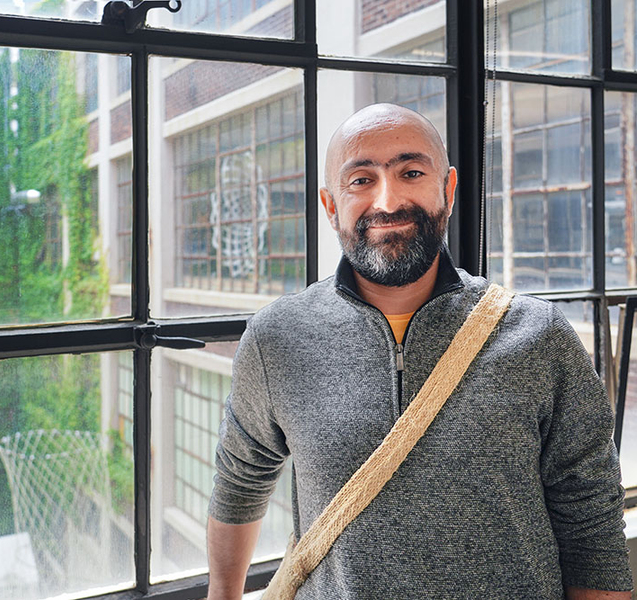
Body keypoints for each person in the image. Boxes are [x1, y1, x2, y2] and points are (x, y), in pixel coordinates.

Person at [206, 103, 633, 599]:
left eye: (411, 172)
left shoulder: (538, 335)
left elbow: (590, 518)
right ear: (330, 205)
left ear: (447, 190)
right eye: (361, 180)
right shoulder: (275, 338)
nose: (387, 201)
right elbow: (240, 482)